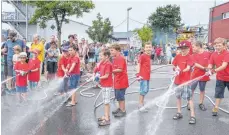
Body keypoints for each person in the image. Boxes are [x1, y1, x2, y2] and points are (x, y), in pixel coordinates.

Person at [172, 40, 196, 124]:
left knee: (189, 98)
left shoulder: (190, 57)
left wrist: (181, 70)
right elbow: (174, 65)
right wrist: (175, 69)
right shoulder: (178, 56)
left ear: (189, 49)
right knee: (178, 97)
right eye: (181, 48)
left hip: (186, 81)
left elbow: (188, 68)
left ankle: (192, 116)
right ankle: (179, 112)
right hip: (177, 81)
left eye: (185, 48)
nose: (183, 50)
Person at [208, 37, 229, 116]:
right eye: (216, 45)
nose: (217, 47)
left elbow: (224, 66)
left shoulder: (227, 54)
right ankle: (216, 108)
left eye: (219, 45)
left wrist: (214, 71)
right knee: (218, 93)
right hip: (220, 78)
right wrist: (209, 69)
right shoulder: (213, 54)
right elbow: (210, 64)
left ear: (224, 46)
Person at [190, 41, 211, 111]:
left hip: (204, 76)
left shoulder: (207, 53)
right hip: (195, 75)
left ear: (198, 46)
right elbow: (195, 64)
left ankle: (201, 103)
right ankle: (189, 103)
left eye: (193, 47)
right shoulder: (193, 55)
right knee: (192, 89)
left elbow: (211, 62)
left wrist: (210, 68)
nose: (192, 48)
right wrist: (204, 68)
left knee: (202, 89)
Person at [94, 50, 113, 126]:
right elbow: (97, 69)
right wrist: (93, 74)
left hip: (107, 85)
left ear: (106, 56)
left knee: (106, 102)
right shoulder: (102, 63)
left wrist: (98, 78)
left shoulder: (108, 64)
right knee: (105, 101)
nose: (99, 57)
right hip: (103, 85)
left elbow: (107, 75)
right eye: (99, 56)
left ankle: (107, 119)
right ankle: (106, 116)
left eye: (101, 56)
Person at [110, 44, 129, 117]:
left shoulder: (120, 58)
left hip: (121, 81)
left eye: (112, 50)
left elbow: (120, 69)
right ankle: (120, 108)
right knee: (118, 96)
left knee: (121, 96)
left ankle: (123, 110)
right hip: (117, 80)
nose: (111, 52)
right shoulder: (115, 58)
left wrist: (111, 71)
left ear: (117, 50)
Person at [136, 42, 152, 111]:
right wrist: (138, 74)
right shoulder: (143, 56)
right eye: (147, 47)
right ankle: (140, 105)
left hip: (147, 76)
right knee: (143, 91)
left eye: (149, 47)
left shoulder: (148, 56)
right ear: (144, 48)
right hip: (143, 76)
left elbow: (146, 65)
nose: (148, 48)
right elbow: (138, 64)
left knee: (145, 90)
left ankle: (142, 104)